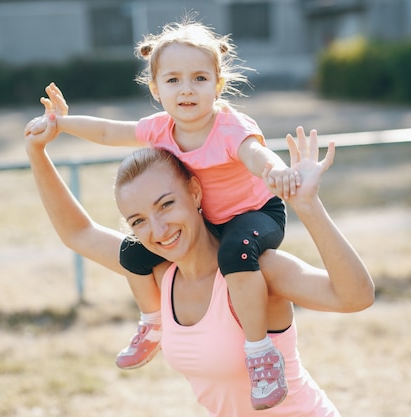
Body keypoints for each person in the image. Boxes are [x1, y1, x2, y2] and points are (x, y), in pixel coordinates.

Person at [24, 110, 375, 416]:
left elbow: (355, 297)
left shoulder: (255, 272)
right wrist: (36, 151)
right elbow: (78, 233)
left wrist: (308, 206)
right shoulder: (163, 276)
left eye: (166, 205)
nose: (158, 230)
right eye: (138, 221)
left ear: (194, 193)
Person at [27, 18, 301, 409]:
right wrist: (60, 123)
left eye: (199, 79)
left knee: (235, 252)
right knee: (135, 252)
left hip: (255, 213)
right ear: (156, 89)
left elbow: (255, 154)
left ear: (218, 84)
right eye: (173, 80)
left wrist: (276, 172)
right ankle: (153, 323)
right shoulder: (159, 129)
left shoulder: (228, 127)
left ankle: (259, 353)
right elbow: (107, 132)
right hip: (211, 217)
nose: (186, 89)